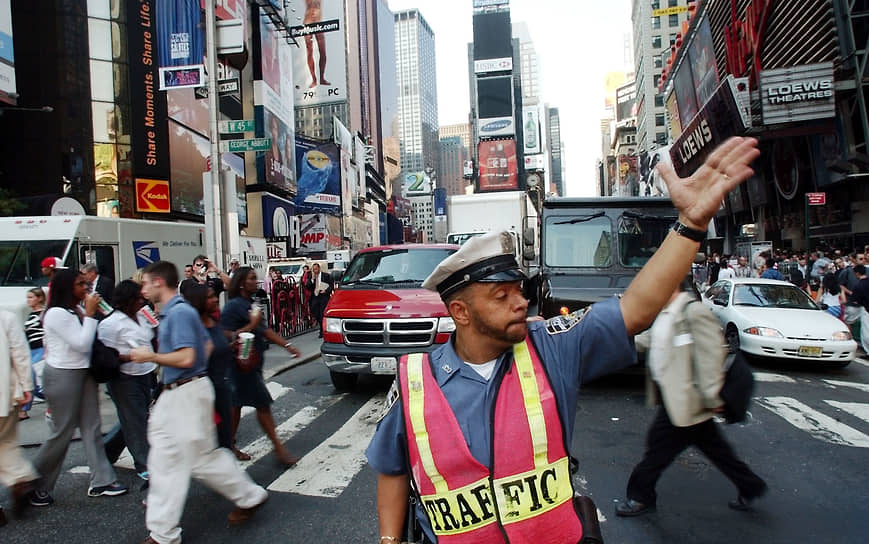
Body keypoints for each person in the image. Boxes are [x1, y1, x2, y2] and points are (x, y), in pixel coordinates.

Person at [366, 135, 762, 544]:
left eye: (520, 290)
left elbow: (638, 308)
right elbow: (392, 469)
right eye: (501, 297)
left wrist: (691, 225)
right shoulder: (414, 381)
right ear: (461, 313)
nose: (521, 303)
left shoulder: (550, 345)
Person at [131, 261, 268, 543]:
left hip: (184, 392)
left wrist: (151, 357)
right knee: (200, 457)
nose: (142, 288)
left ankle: (163, 533)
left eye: (145, 283)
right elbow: (202, 348)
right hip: (184, 391)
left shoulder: (178, 313)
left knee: (168, 460)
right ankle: (249, 495)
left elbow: (186, 357)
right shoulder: (177, 312)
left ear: (159, 282)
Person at [615, 278, 767, 517]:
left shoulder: (694, 312)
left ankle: (640, 496)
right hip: (676, 398)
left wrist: (711, 397)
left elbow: (711, 356)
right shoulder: (667, 313)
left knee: (657, 451)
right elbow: (648, 341)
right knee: (717, 450)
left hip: (688, 400)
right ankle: (751, 485)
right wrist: (613, 342)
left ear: (673, 286)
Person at [28, 269, 128, 507]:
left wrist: (92, 313)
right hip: (63, 375)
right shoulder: (55, 314)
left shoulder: (76, 310)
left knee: (92, 427)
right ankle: (32, 483)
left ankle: (102, 479)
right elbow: (82, 344)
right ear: (66, 288)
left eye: (85, 283)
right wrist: (91, 315)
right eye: (80, 284)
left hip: (82, 373)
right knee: (62, 433)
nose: (86, 288)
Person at [220, 267, 301, 465]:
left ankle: (227, 446)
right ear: (240, 283)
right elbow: (223, 335)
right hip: (240, 366)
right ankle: (279, 450)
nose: (255, 282)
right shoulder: (234, 306)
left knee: (235, 406)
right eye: (251, 278)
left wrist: (288, 346)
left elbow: (264, 330)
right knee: (262, 405)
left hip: (251, 365)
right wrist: (248, 327)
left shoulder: (250, 303)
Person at [97, 280, 157, 483]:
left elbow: (152, 335)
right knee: (136, 420)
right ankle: (144, 464)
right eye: (138, 298)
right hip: (125, 377)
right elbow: (106, 356)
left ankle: (106, 451)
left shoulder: (143, 315)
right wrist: (130, 356)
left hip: (146, 373)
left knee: (134, 418)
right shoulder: (110, 324)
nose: (141, 301)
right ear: (127, 300)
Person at [181, 283, 234, 450]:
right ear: (198, 301)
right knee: (209, 446)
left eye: (214, 295)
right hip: (205, 394)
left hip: (222, 390)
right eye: (210, 297)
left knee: (223, 441)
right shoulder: (194, 328)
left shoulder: (213, 321)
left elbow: (220, 347)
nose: (215, 299)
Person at [0, 310, 40, 525]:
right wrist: (27, 386)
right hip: (5, 394)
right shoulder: (6, 318)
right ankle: (20, 477)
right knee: (6, 443)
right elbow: (21, 353)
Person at [20, 288, 47, 420]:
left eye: (31, 297)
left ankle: (24, 410)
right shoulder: (31, 315)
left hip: (41, 348)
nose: (28, 300)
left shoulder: (44, 313)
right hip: (31, 349)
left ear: (39, 298)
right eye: (28, 297)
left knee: (32, 377)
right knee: (31, 379)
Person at [303, 0, 331, 88]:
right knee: (310, 52)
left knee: (323, 52)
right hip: (308, 22)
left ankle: (321, 78)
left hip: (319, 23)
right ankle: (314, 79)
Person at [305, 262, 332, 337]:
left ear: (319, 268)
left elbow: (331, 285)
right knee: (315, 312)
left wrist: (326, 291)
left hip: (323, 296)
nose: (315, 271)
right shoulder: (311, 276)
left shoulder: (326, 276)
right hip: (315, 296)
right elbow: (307, 286)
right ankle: (320, 324)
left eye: (316, 269)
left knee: (322, 314)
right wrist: (312, 280)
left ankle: (322, 331)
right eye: (313, 270)